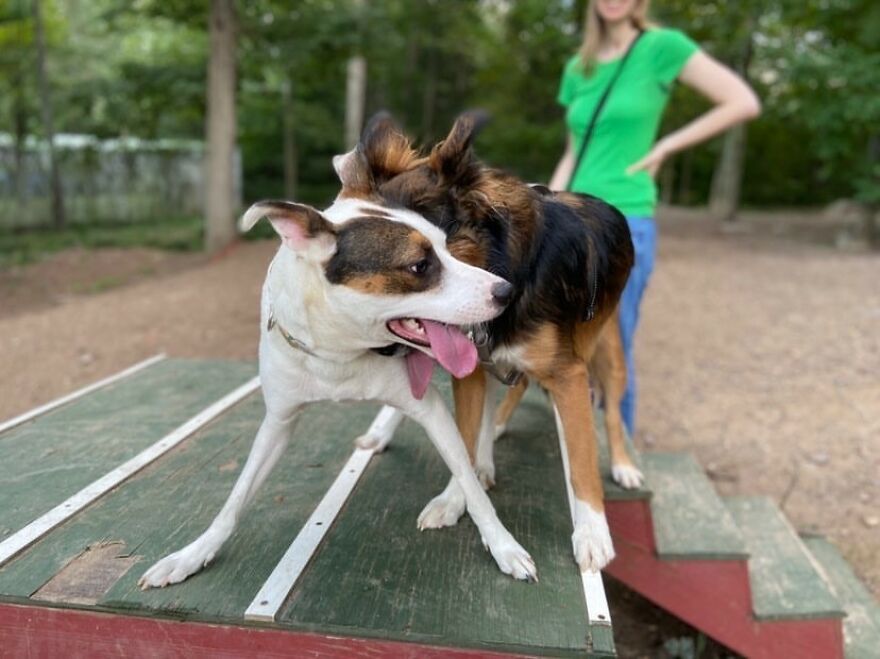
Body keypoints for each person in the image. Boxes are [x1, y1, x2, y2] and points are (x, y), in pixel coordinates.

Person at [549, 0, 760, 436]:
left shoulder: (662, 47)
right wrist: (547, 207)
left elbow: (742, 101)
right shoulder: (579, 67)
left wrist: (666, 146)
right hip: (573, 219)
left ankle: (618, 456)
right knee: (561, 341)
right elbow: (573, 151)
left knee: (613, 345)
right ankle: (571, 451)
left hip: (625, 219)